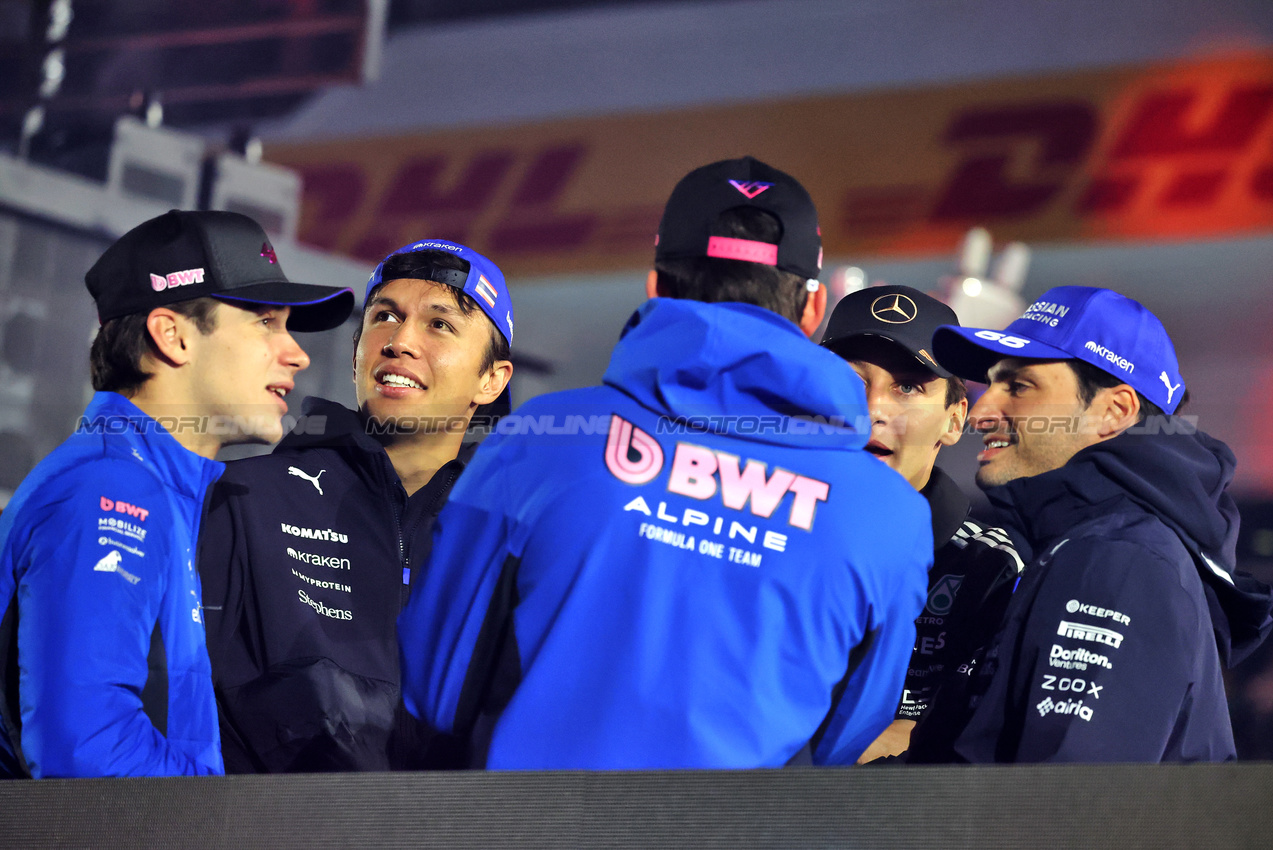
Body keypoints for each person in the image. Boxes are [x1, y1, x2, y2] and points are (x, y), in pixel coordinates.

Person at [397, 156, 932, 769]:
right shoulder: (891, 515)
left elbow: (436, 688)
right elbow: (844, 742)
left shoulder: (540, 437)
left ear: (655, 285)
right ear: (813, 310)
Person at [0, 210, 353, 777]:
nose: (297, 353)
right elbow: (86, 752)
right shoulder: (112, 490)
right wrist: (232, 828)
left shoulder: (153, 487)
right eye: (265, 322)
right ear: (173, 335)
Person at [906, 285, 1272, 762]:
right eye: (990, 384)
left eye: (1018, 386)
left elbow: (1067, 814)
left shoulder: (1115, 560)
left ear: (1114, 411)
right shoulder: (1086, 546)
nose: (980, 411)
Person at [198, 239, 513, 772]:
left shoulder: (505, 549)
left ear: (491, 380)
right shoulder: (242, 498)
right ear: (356, 354)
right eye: (385, 317)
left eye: (440, 324)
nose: (400, 341)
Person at [820, 285, 1023, 763]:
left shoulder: (991, 569)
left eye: (907, 386)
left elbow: (977, 740)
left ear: (955, 421)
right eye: (852, 382)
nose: (873, 410)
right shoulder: (760, 528)